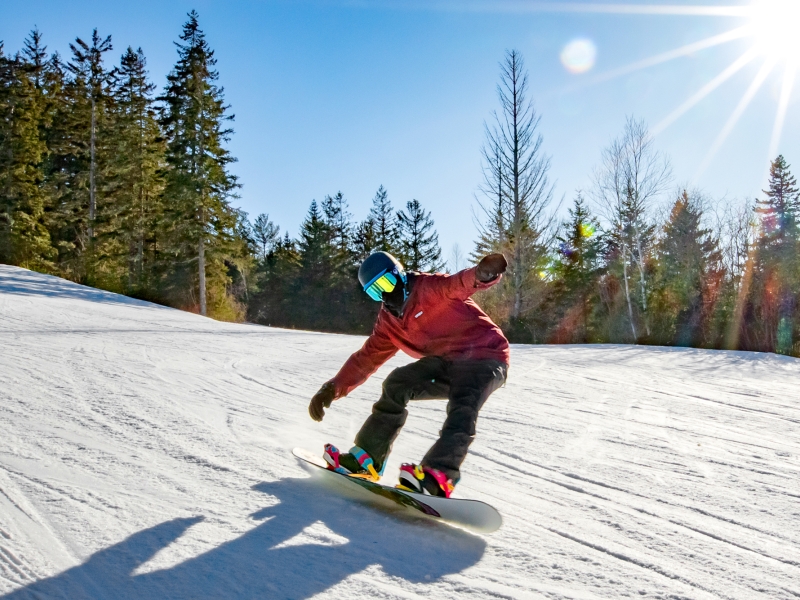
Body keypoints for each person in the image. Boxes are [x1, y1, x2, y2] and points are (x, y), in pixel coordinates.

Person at [308, 251, 510, 498]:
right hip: (447, 363)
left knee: (464, 402)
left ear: (398, 275)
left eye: (386, 283)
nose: (384, 293)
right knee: (397, 383)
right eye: (375, 291)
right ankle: (367, 460)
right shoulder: (389, 323)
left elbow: (458, 283)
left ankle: (439, 476)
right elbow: (367, 358)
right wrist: (333, 388)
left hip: (485, 356)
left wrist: (482, 274)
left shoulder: (428, 288)